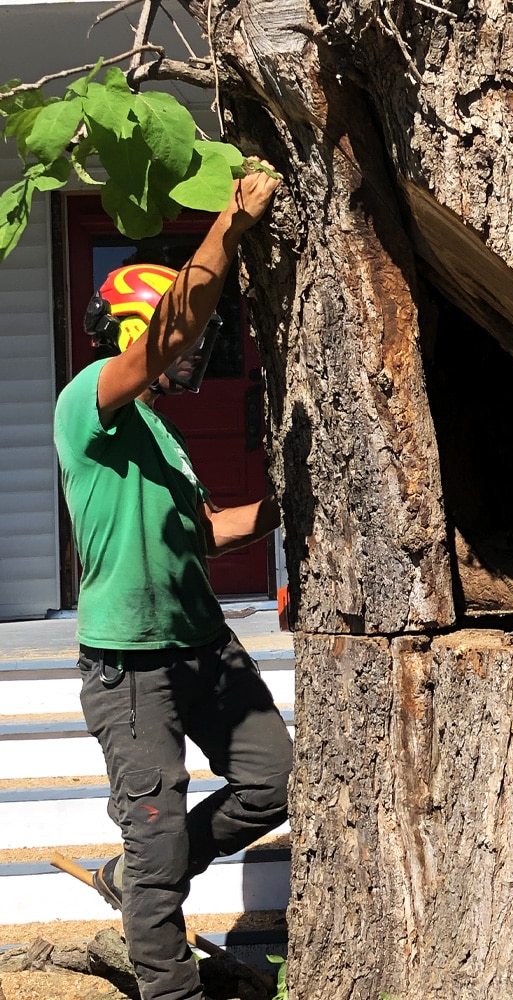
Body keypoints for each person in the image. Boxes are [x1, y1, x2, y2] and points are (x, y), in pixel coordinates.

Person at [53, 166, 292, 1000]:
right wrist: (230, 222)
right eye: (178, 348)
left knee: (273, 783)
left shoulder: (163, 435)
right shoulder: (90, 400)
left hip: (202, 646)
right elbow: (169, 333)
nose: (191, 361)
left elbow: (204, 531)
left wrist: (283, 506)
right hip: (129, 664)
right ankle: (171, 981)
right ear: (133, 329)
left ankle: (139, 875)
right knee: (156, 841)